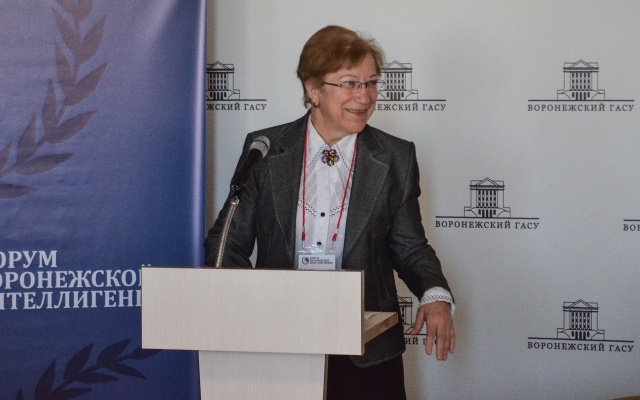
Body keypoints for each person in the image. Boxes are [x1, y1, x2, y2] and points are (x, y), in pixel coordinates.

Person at [204, 25, 455, 400]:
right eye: (350, 83)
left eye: (371, 83)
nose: (364, 97)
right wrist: (251, 311)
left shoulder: (396, 157)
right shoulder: (266, 149)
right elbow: (229, 242)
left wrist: (435, 296)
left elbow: (410, 246)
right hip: (280, 344)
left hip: (367, 352)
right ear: (313, 89)